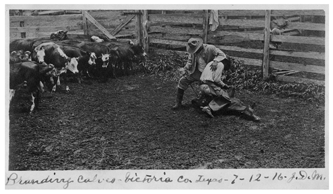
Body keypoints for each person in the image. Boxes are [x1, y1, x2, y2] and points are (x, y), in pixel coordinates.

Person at [172, 37, 227, 110]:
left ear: (200, 45)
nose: (195, 51)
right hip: (196, 72)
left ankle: (211, 103)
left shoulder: (210, 48)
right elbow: (190, 62)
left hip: (207, 73)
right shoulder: (192, 52)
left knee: (206, 89)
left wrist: (216, 61)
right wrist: (185, 69)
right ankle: (178, 103)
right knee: (182, 81)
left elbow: (222, 54)